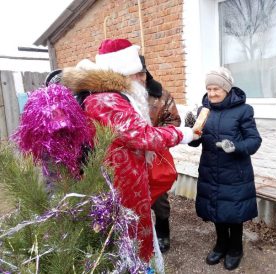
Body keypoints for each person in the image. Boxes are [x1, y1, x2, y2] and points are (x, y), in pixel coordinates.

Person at [59, 38, 200, 265]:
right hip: (120, 184)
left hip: (124, 178)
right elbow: (142, 135)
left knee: (130, 233)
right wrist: (184, 134)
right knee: (127, 240)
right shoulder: (107, 100)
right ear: (126, 72)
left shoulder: (109, 95)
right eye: (137, 73)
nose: (141, 79)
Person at [187, 67, 262, 270]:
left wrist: (235, 146)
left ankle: (236, 248)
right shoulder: (204, 111)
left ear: (227, 89)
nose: (211, 93)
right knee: (216, 209)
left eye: (216, 89)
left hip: (235, 171)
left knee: (234, 212)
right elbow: (195, 142)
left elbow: (254, 141)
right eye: (208, 89)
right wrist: (190, 130)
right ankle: (221, 245)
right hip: (211, 169)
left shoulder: (243, 110)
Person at [137, 55, 181, 253]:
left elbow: (173, 122)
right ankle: (137, 236)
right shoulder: (116, 96)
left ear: (146, 72)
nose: (138, 78)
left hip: (154, 155)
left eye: (141, 73)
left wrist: (153, 137)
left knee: (159, 198)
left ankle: (163, 232)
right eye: (132, 74)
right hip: (127, 158)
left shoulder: (160, 94)